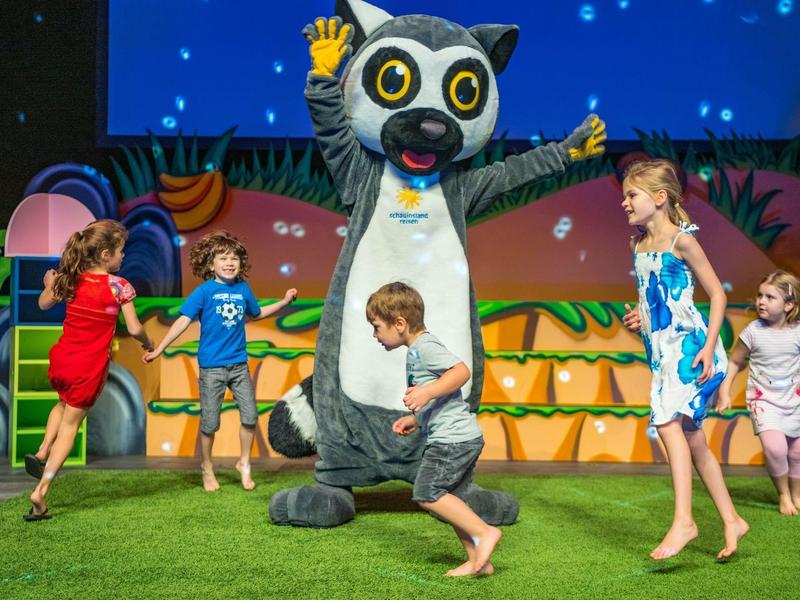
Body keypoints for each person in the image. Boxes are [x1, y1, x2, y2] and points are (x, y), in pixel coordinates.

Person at [620, 160, 748, 560]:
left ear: (660, 198)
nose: (624, 202)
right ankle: (732, 519)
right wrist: (639, 319)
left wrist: (709, 347)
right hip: (661, 350)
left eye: (632, 195)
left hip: (689, 348)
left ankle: (684, 521)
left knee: (665, 422)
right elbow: (655, 300)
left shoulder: (682, 241)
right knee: (693, 438)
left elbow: (718, 294)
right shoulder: (637, 245)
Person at [143, 231, 296, 492]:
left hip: (239, 366)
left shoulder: (242, 289)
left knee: (250, 417)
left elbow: (257, 313)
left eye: (234, 258)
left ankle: (244, 463)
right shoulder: (204, 291)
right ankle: (206, 467)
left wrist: (283, 302)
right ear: (211, 264)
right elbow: (182, 321)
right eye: (223, 258)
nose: (229, 262)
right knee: (210, 423)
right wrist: (160, 349)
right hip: (212, 368)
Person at [366, 282, 500, 576]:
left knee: (427, 492)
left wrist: (426, 393)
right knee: (452, 501)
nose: (375, 335)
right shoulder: (416, 351)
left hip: (452, 440)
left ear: (399, 323)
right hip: (458, 437)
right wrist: (416, 419)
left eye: (376, 327)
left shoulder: (425, 347)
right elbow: (443, 397)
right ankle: (478, 561)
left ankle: (485, 532)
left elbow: (461, 372)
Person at [25, 219, 153, 521]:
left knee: (62, 403)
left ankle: (42, 451)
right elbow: (135, 328)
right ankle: (41, 492)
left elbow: (43, 304)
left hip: (62, 359)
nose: (123, 256)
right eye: (121, 250)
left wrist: (48, 285)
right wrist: (149, 342)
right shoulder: (119, 286)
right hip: (88, 367)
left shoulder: (71, 279)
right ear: (106, 254)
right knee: (71, 426)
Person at [717, 270, 800, 515]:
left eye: (770, 297)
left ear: (788, 305)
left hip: (794, 400)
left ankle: (796, 493)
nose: (761, 301)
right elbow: (734, 362)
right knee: (776, 449)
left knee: (797, 452)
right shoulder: (753, 332)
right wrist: (724, 392)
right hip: (763, 401)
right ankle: (783, 494)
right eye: (760, 295)